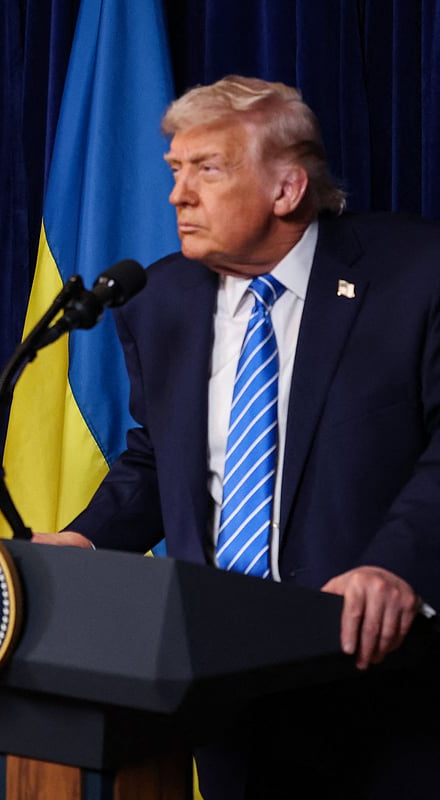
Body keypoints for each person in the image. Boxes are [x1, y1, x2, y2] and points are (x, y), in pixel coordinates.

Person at [33, 76, 440, 797]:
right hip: (222, 684)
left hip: (381, 677)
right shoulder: (159, 300)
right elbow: (159, 460)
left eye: (207, 169)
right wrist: (86, 542)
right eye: (174, 171)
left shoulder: (416, 273)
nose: (177, 196)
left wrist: (396, 567)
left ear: (286, 189)